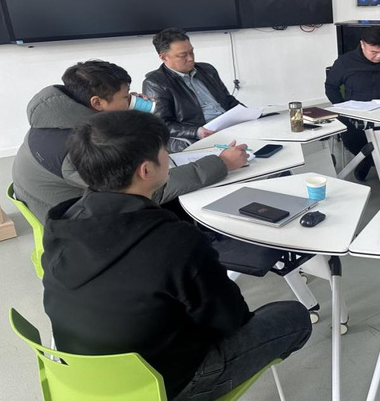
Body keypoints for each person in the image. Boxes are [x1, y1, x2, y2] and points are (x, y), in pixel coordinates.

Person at [42, 110, 312, 400]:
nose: (169, 156)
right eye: (165, 150)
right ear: (146, 170)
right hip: (161, 386)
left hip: (82, 380)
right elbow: (231, 319)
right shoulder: (175, 240)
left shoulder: (63, 222)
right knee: (292, 316)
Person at [11, 60, 248, 222]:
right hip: (77, 220)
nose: (131, 100)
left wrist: (133, 112)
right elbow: (147, 189)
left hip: (69, 197)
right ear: (97, 103)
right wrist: (221, 164)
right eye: (125, 97)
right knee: (179, 203)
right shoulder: (80, 148)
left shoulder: (59, 115)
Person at [324, 25, 380, 181]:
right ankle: (375, 162)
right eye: (374, 52)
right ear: (362, 44)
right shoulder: (345, 62)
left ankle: (373, 161)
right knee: (353, 138)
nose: (379, 57)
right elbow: (331, 87)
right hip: (355, 113)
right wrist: (343, 108)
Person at [144, 27, 241, 152]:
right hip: (203, 134)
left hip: (229, 125)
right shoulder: (155, 83)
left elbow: (227, 99)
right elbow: (161, 125)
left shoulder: (207, 70)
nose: (190, 58)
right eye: (183, 55)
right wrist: (196, 131)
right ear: (163, 57)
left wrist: (248, 113)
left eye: (191, 52)